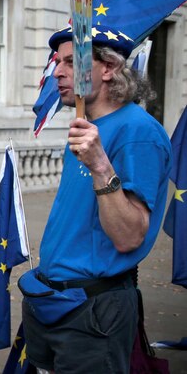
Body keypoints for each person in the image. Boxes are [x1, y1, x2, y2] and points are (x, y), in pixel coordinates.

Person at [20, 26, 171, 373]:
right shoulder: (85, 124)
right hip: (52, 301)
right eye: (58, 62)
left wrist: (102, 166)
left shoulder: (138, 132)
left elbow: (129, 236)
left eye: (71, 62)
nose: (57, 71)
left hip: (93, 312)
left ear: (108, 68)